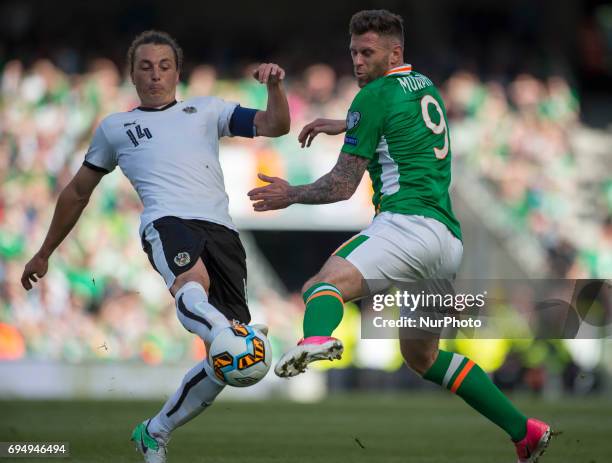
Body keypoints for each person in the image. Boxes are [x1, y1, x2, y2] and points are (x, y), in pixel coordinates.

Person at [248, 10, 552, 463]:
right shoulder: (424, 85)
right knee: (424, 359)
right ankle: (524, 431)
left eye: (367, 53)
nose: (357, 61)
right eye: (353, 52)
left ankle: (315, 340)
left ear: (395, 52)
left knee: (321, 286)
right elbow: (398, 126)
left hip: (404, 227)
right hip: (446, 243)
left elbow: (341, 186)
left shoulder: (370, 98)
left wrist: (291, 194)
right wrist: (344, 124)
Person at [21, 30, 289, 463]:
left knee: (226, 367)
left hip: (224, 232)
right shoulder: (116, 128)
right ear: (132, 74)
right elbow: (76, 193)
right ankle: (223, 331)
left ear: (177, 71)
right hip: (167, 221)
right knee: (193, 285)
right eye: (145, 66)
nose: (155, 74)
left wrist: (275, 88)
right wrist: (44, 251)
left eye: (164, 66)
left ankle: (155, 431)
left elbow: (275, 125)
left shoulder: (206, 109)